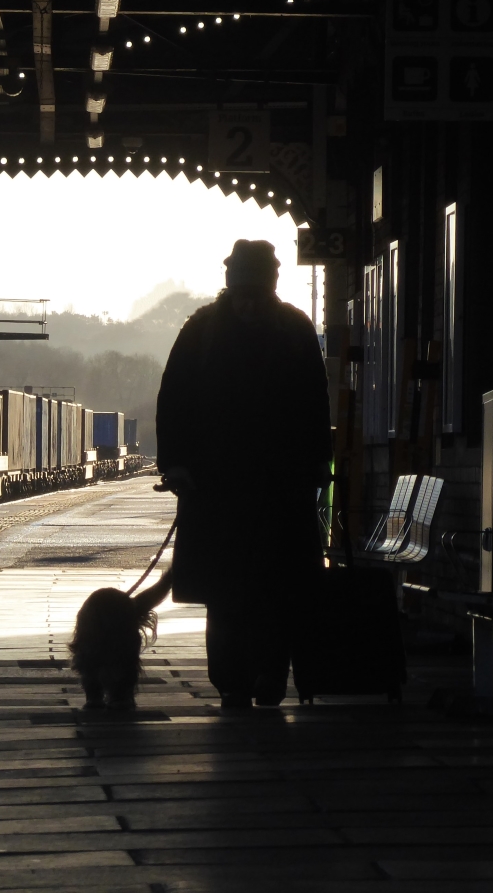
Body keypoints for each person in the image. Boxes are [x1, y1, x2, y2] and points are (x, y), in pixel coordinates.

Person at [155, 239, 332, 708]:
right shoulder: (210, 331)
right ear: (230, 290)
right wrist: (175, 464)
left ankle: (267, 677)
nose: (249, 304)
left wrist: (318, 461)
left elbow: (316, 405)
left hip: (275, 485)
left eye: (256, 294)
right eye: (242, 294)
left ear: (271, 289)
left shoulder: (266, 330)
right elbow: (174, 401)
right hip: (224, 486)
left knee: (269, 588)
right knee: (230, 591)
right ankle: (233, 679)